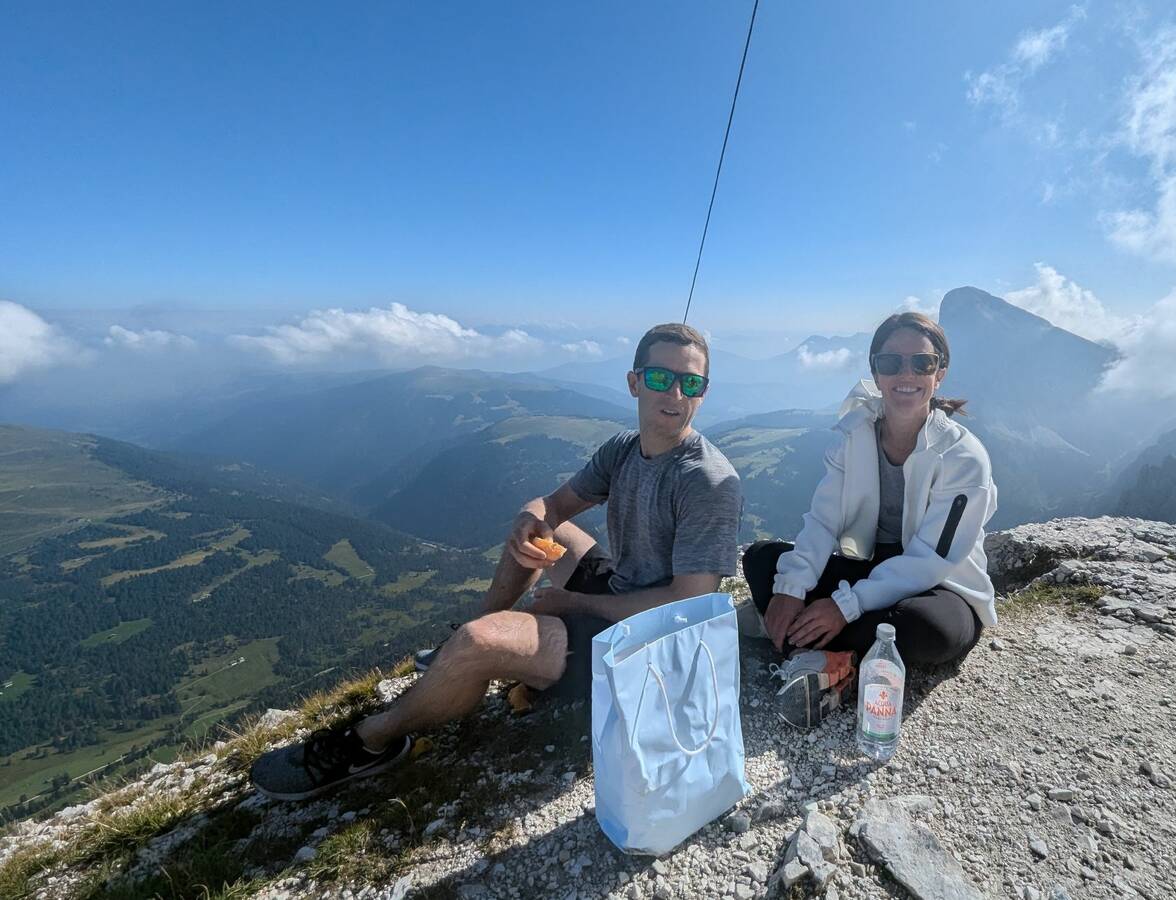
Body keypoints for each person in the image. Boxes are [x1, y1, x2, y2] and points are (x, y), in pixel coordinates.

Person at [252, 323, 743, 800]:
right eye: (661, 378)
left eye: (691, 383)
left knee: (475, 643)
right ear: (634, 382)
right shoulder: (623, 449)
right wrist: (528, 522)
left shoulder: (707, 480)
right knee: (545, 533)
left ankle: (370, 742)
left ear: (704, 392)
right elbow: (551, 505)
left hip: (644, 643)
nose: (676, 394)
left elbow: (687, 604)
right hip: (616, 588)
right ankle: (472, 644)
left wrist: (570, 603)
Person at [742, 311, 997, 691]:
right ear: (876, 373)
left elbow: (931, 561)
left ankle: (803, 643)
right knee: (762, 560)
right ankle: (832, 651)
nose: (906, 374)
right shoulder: (854, 435)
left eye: (922, 363)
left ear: (939, 372)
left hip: (942, 587)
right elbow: (824, 520)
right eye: (891, 362)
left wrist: (844, 606)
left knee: (927, 628)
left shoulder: (962, 456)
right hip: (872, 570)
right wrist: (790, 589)